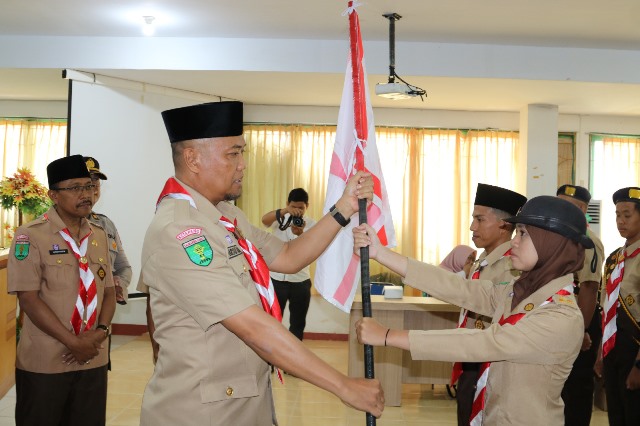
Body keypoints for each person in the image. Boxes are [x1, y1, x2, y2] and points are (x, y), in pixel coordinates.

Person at [139, 101, 384, 426]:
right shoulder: (181, 230)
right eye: (233, 154)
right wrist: (342, 385)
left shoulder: (226, 216)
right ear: (192, 159)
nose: (243, 165)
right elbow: (253, 327)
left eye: (243, 153)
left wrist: (344, 207)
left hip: (244, 400)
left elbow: (287, 256)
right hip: (203, 411)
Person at [354, 195, 593, 425]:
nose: (515, 241)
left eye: (523, 234)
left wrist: (388, 336)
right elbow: (461, 289)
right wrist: (381, 254)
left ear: (551, 242)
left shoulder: (561, 316)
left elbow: (482, 343)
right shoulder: (520, 291)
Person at [7, 154, 116, 426]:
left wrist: (100, 334)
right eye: (75, 188)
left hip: (93, 356)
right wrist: (74, 342)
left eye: (89, 187)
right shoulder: (30, 235)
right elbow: (28, 299)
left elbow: (110, 291)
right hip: (47, 359)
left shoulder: (99, 234)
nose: (86, 194)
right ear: (53, 195)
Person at [450, 183, 527, 426]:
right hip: (471, 356)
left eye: (479, 219)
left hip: (489, 362)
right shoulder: (482, 260)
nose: (472, 226)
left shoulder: (512, 266)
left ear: (504, 225)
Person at [556, 184, 604, 426]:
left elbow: (588, 289)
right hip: (558, 320)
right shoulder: (558, 236)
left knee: (576, 389)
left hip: (580, 319)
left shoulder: (589, 242)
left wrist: (581, 330)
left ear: (584, 210)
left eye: (573, 207)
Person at [599, 187, 640, 426]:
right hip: (613, 349)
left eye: (627, 214)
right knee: (616, 414)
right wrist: (600, 354)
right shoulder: (614, 259)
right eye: (617, 215)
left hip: (635, 349)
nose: (620, 221)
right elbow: (607, 308)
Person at [261, 188, 316, 340]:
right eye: (294, 207)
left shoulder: (312, 224)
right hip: (276, 279)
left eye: (301, 208)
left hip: (300, 281)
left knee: (298, 323)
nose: (298, 211)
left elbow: (313, 249)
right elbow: (264, 220)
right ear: (287, 204)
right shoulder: (280, 219)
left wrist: (301, 234)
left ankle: (294, 357)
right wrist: (286, 211)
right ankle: (272, 355)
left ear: (307, 206)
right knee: (272, 321)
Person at [84, 156, 132, 306]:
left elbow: (124, 267)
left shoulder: (106, 224)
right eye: (87, 183)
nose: (93, 188)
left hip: (102, 314)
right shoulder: (53, 226)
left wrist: (119, 283)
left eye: (95, 183)